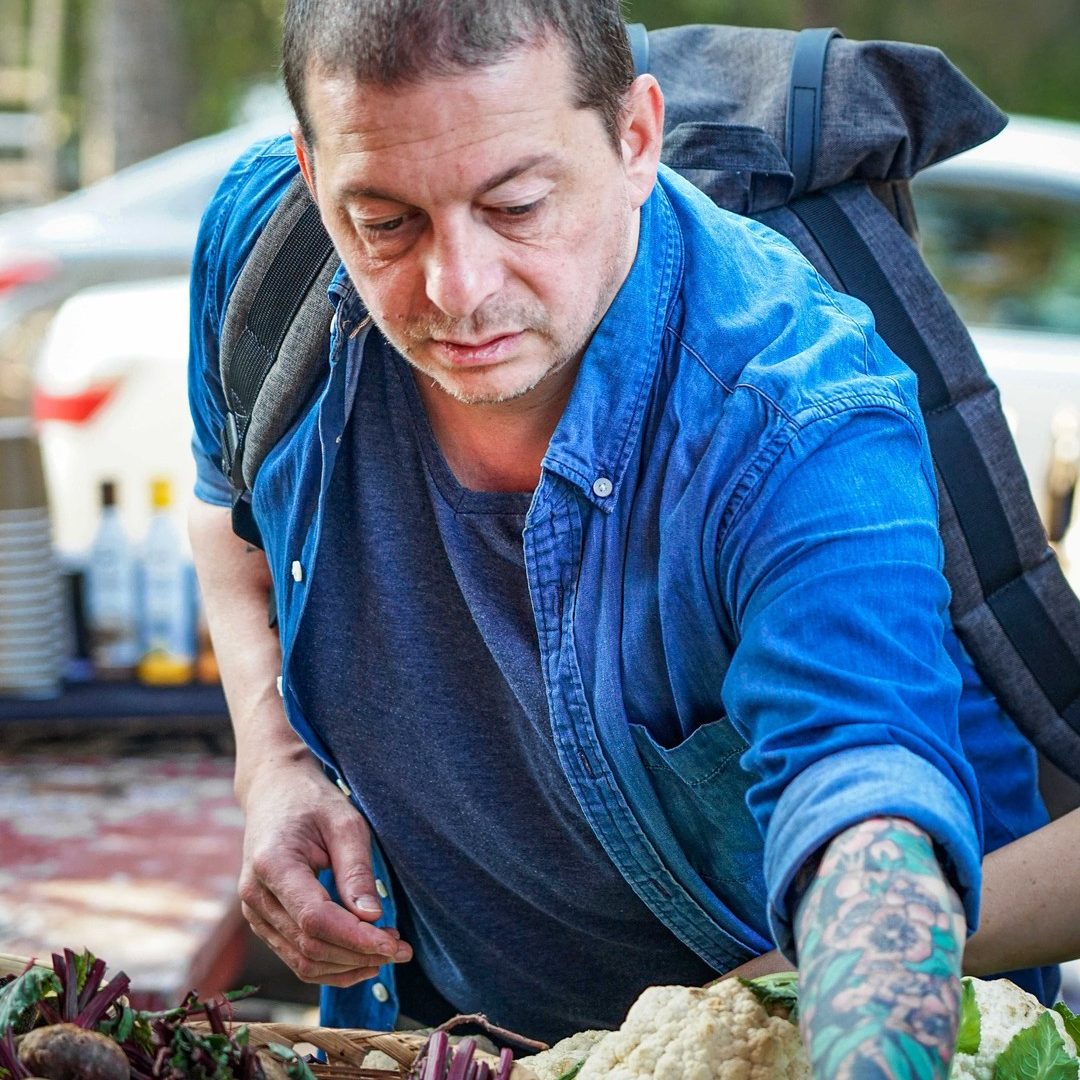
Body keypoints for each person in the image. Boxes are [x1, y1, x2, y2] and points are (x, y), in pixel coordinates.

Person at [187, 2, 1060, 1075]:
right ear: (310, 174)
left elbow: (864, 803)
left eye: (515, 206)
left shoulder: (796, 412)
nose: (458, 291)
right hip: (432, 1037)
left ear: (636, 140)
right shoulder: (258, 250)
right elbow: (224, 503)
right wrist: (272, 763)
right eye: (386, 223)